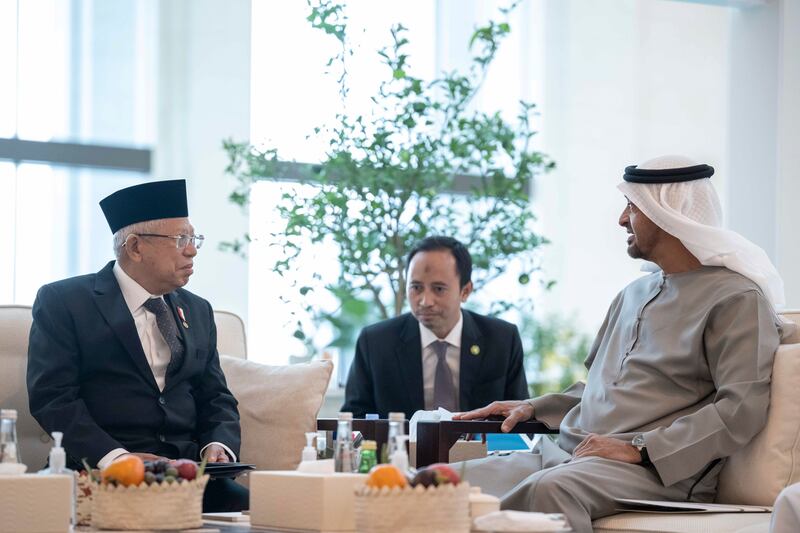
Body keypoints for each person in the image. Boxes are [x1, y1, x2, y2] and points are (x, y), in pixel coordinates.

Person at [454, 155, 790, 533]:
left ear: (668, 213)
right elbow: (606, 389)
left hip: (655, 473)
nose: (621, 219)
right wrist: (535, 407)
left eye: (632, 207)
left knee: (550, 491)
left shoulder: (737, 299)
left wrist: (642, 448)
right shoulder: (633, 293)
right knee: (435, 483)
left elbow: (741, 408)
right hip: (571, 455)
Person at [26, 179, 248, 512]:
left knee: (271, 512)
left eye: (193, 238)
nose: (192, 250)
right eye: (180, 239)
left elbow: (215, 395)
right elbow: (53, 398)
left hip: (185, 478)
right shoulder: (65, 301)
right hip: (98, 475)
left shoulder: (198, 310)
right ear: (135, 247)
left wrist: (219, 446)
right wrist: (120, 460)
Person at [342, 236, 529, 419]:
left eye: (438, 289)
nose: (425, 301)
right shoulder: (376, 342)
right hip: (402, 450)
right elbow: (354, 419)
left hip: (484, 450)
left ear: (465, 291)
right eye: (416, 287)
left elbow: (519, 418)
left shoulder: (502, 340)